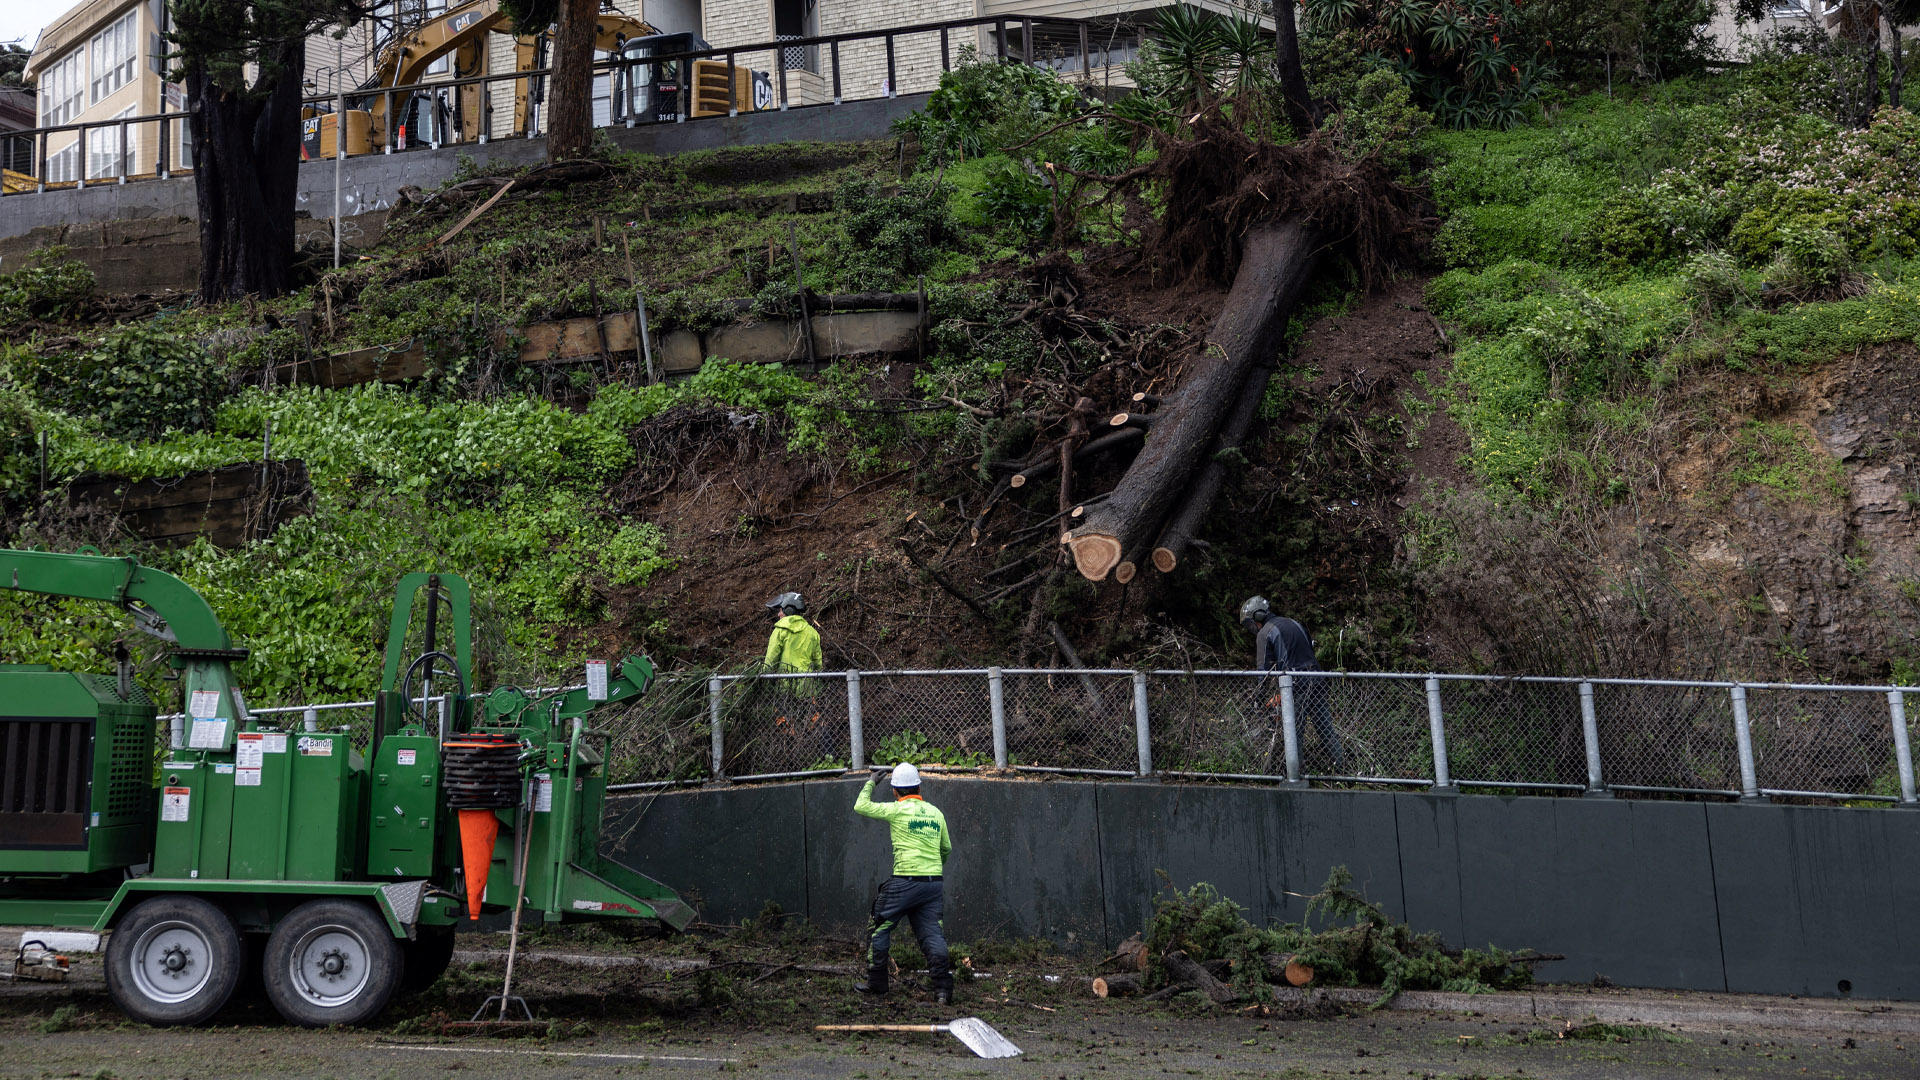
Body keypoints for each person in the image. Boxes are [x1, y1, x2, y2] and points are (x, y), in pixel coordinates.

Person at [852, 761, 954, 1004]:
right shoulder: (936, 813)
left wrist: (871, 782)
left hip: (905, 882)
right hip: (932, 885)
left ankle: (877, 982)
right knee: (932, 935)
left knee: (879, 925)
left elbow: (860, 806)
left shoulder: (896, 810)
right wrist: (930, 869)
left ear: (895, 791)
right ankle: (942, 990)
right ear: (919, 788)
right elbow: (946, 849)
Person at [1240, 596, 1347, 772]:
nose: (1251, 628)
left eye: (1250, 623)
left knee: (1294, 734)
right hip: (1317, 680)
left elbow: (1263, 672)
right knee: (1326, 730)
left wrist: (1259, 700)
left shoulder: (1265, 632)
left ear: (1257, 616)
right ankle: (1344, 771)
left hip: (1296, 685)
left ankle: (1297, 775)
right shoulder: (1294, 623)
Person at [763, 592, 825, 756]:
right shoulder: (812, 633)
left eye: (781, 610)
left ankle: (788, 755)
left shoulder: (780, 631)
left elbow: (770, 660)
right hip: (807, 687)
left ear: (789, 610)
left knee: (784, 723)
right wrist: (817, 688)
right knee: (812, 723)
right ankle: (816, 754)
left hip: (785, 687)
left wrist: (763, 682)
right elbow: (818, 664)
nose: (779, 614)